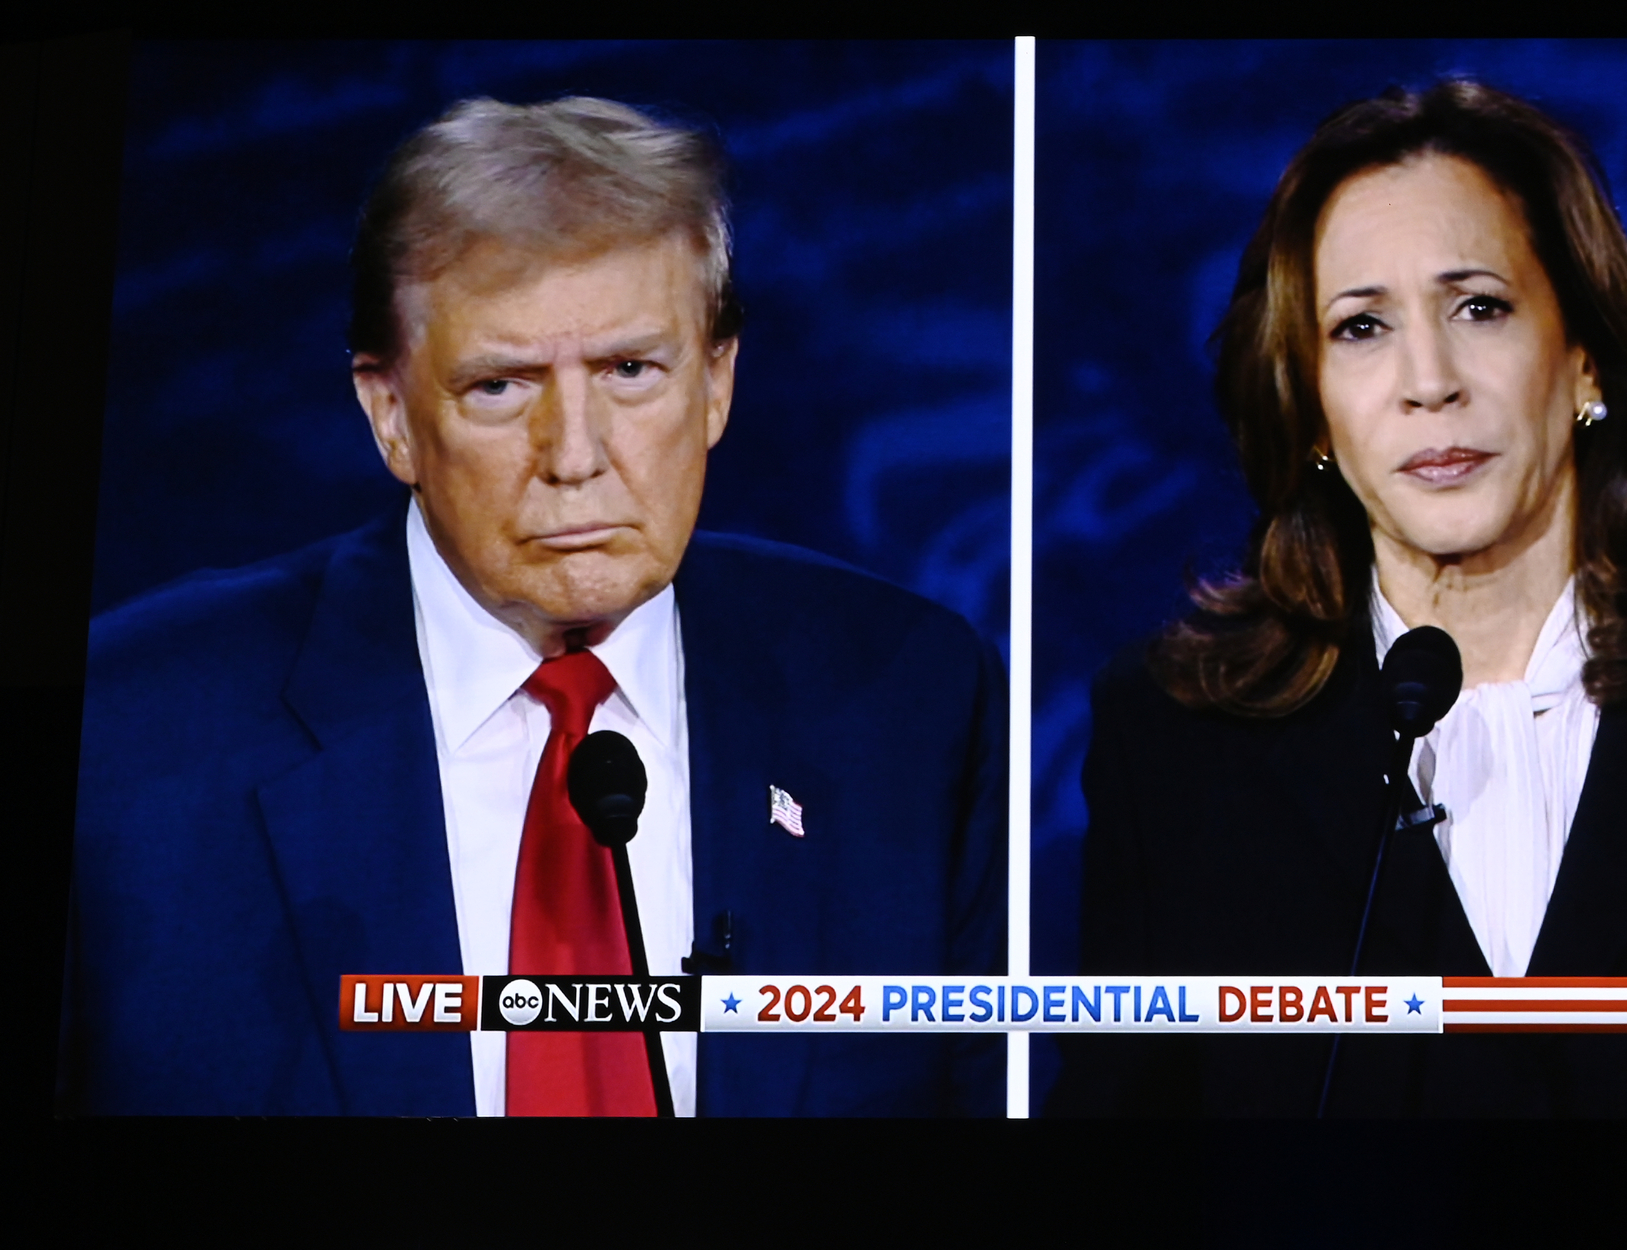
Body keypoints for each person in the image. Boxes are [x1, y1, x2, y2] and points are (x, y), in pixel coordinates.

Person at [1046, 81, 1627, 1118]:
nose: (1429, 380)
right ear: (1309, 407)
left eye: (1479, 308)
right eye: (1360, 328)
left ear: (1583, 355)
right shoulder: (1181, 741)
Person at [62, 96, 1006, 1117]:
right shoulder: (128, 736)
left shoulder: (909, 701)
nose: (574, 457)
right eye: (501, 388)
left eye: (631, 371)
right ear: (391, 416)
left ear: (718, 382)